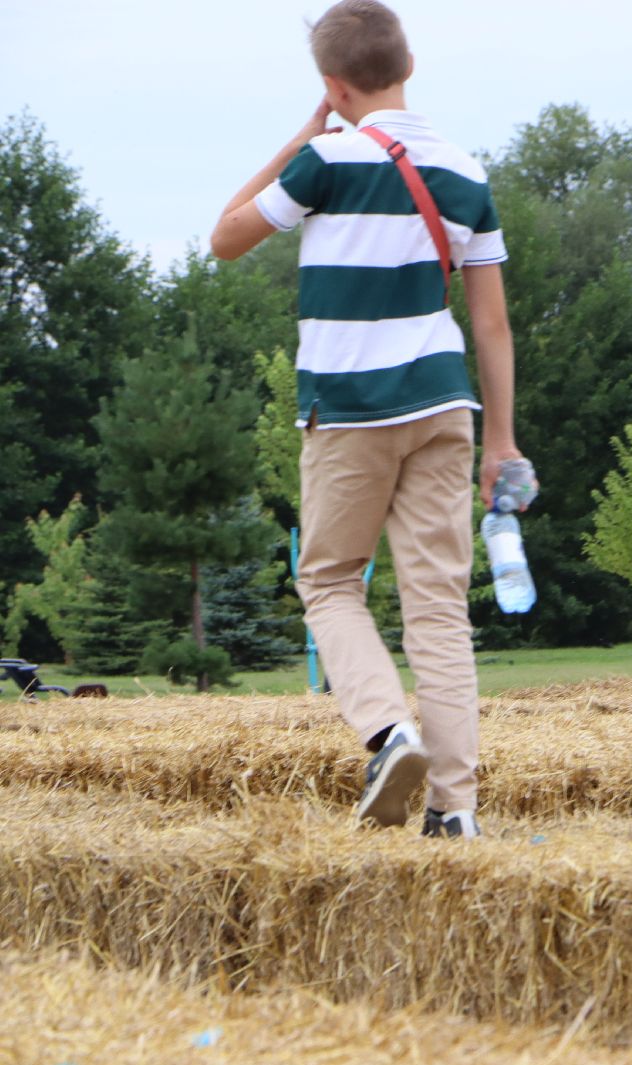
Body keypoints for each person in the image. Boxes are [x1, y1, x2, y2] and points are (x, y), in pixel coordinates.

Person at [210, 0, 526, 839]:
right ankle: (454, 812)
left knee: (329, 581)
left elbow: (225, 238)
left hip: (348, 409)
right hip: (444, 405)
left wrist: (299, 135)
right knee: (437, 609)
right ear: (409, 64)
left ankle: (388, 734)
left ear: (331, 84)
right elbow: (491, 323)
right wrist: (502, 441)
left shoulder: (324, 160)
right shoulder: (464, 171)